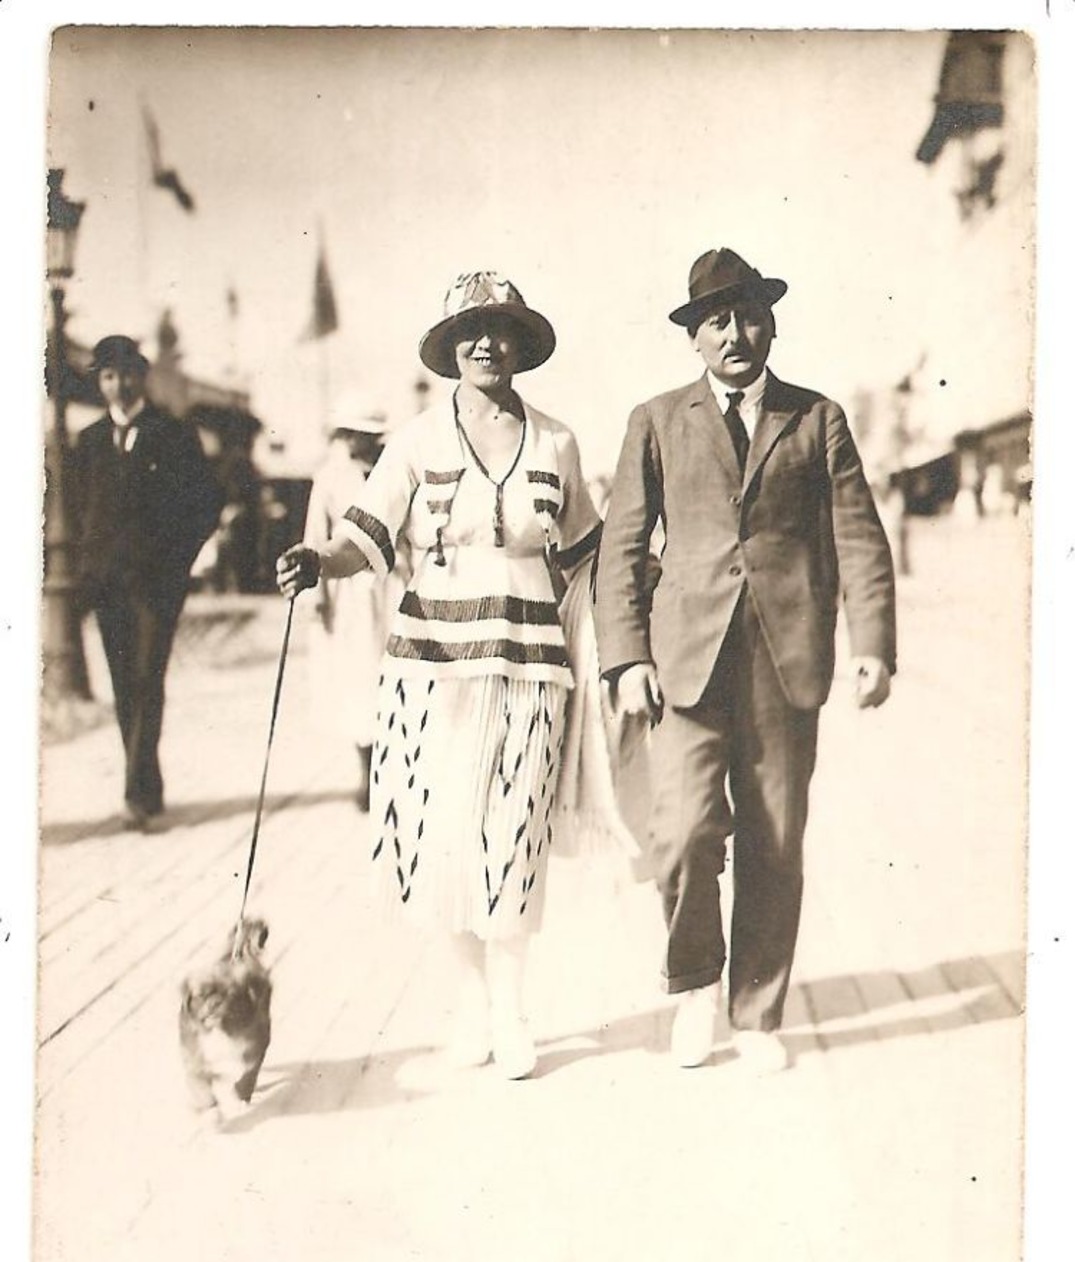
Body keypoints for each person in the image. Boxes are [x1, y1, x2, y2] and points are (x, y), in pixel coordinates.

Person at [277, 272, 601, 1078]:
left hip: (529, 666)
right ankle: (469, 1007)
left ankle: (512, 1010)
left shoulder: (558, 441)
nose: (485, 342)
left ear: (521, 343)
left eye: (500, 328)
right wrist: (316, 559)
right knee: (438, 834)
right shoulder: (415, 441)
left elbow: (591, 554)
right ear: (450, 346)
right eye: (470, 330)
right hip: (427, 667)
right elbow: (363, 537)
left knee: (514, 835)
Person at [595, 247, 897, 1073]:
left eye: (750, 314)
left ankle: (757, 1010)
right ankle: (695, 987)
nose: (735, 332)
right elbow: (621, 546)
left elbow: (859, 537)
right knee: (685, 829)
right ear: (693, 336)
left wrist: (870, 645)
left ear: (771, 323)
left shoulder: (816, 417)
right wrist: (623, 656)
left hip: (783, 659)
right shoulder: (654, 420)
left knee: (775, 833)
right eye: (716, 320)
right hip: (683, 663)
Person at [72, 334, 221, 830]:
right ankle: (144, 787)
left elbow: (206, 503)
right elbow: (73, 511)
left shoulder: (172, 434)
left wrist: (177, 562)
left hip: (156, 586)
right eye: (109, 376)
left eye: (127, 374)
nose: (119, 385)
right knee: (122, 684)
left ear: (143, 375)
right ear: (100, 382)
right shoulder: (90, 441)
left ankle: (138, 792)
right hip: (107, 584)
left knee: (147, 679)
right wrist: (85, 568)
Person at [300, 393, 394, 810]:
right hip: (350, 594)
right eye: (350, 434)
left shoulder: (396, 469)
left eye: (364, 435)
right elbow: (315, 536)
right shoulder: (331, 477)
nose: (356, 442)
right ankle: (366, 769)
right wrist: (316, 594)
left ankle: (396, 768)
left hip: (395, 586)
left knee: (394, 675)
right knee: (358, 681)